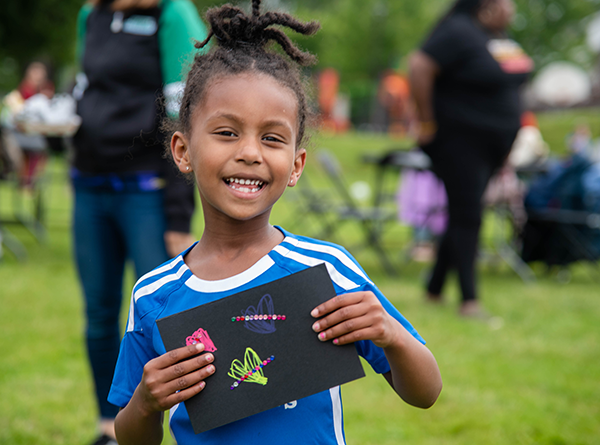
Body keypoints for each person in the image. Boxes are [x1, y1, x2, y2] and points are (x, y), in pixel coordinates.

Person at [107, 2, 442, 444]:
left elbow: (425, 393)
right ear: (183, 151)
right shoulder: (153, 296)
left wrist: (391, 334)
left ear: (296, 164)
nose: (250, 152)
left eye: (272, 138)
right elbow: (134, 436)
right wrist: (145, 404)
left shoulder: (326, 270)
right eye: (227, 132)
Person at [72, 1, 207, 444]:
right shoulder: (90, 15)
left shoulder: (172, 15)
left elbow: (184, 118)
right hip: (90, 185)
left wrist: (177, 214)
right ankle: (109, 426)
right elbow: (84, 91)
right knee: (99, 315)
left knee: (161, 318)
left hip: (147, 190)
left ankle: (185, 427)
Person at [409, 0, 533, 317]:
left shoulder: (494, 39)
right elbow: (420, 66)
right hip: (460, 143)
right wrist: (426, 122)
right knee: (468, 215)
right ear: (487, 5)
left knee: (464, 213)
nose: (513, 8)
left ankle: (434, 290)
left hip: (490, 146)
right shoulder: (458, 32)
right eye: (508, 2)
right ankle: (470, 301)